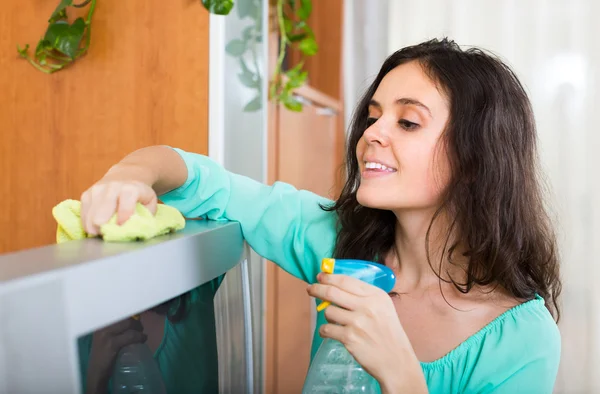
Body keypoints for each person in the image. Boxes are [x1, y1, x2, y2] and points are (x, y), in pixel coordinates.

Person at [80, 38, 561, 393]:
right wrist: (128, 176)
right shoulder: (337, 241)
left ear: (476, 161)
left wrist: (400, 372)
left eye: (408, 121)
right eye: (373, 116)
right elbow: (208, 184)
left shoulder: (522, 338)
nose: (372, 133)